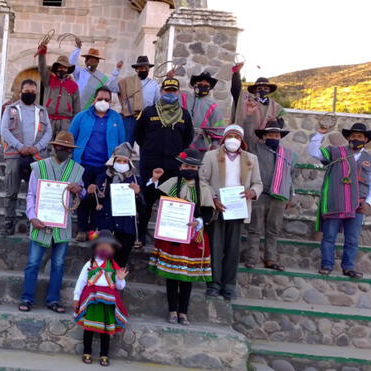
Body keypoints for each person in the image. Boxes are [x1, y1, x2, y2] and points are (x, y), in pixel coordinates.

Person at [19, 132, 85, 313]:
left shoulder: (77, 170)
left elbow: (82, 193)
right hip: (40, 220)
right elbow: (31, 194)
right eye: (61, 147)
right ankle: (27, 298)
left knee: (58, 264)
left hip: (62, 223)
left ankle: (53, 299)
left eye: (67, 149)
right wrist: (32, 216)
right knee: (33, 262)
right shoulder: (39, 167)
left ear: (71, 150)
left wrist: (79, 190)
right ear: (54, 147)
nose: (63, 150)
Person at [148, 148, 212, 325]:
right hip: (172, 236)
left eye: (193, 166)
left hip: (192, 237)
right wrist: (154, 180)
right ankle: (172, 311)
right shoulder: (171, 184)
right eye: (186, 165)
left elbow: (208, 213)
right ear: (181, 166)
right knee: (172, 276)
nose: (189, 168)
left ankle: (183, 312)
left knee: (186, 276)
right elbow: (153, 196)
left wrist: (198, 222)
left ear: (198, 169)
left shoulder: (204, 188)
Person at [308, 122, 371, 279]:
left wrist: (367, 202)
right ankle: (326, 265)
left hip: (357, 204)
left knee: (352, 239)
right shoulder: (336, 152)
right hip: (337, 202)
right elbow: (313, 152)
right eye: (353, 136)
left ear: (366, 139)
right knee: (329, 236)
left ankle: (348, 267)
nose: (356, 138)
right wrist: (320, 133)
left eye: (360, 136)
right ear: (348, 138)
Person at [200, 125, 262, 300]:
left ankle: (229, 285)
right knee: (215, 247)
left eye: (236, 136)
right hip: (217, 207)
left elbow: (258, 183)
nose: (233, 139)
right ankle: (213, 284)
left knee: (233, 249)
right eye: (230, 136)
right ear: (224, 138)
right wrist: (213, 198)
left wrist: (252, 192)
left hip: (238, 208)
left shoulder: (251, 159)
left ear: (241, 140)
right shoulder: (211, 156)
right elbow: (203, 180)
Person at [135, 77, 194, 246]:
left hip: (173, 167)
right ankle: (140, 237)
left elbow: (187, 138)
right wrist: (150, 151)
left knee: (169, 203)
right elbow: (138, 135)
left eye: (173, 91)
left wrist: (174, 154)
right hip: (150, 165)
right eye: (167, 90)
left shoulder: (184, 114)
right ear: (161, 92)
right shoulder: (149, 112)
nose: (170, 93)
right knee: (145, 202)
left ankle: (165, 240)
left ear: (178, 92)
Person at [69, 86, 126, 241]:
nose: (103, 102)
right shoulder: (81, 117)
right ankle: (81, 229)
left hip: (106, 166)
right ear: (94, 99)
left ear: (111, 102)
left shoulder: (116, 118)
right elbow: (70, 137)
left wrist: (119, 163)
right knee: (82, 196)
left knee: (99, 198)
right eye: (100, 99)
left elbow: (122, 142)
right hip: (83, 164)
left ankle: (94, 230)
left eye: (107, 100)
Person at [0, 79, 53, 236]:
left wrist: (37, 147)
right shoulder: (11, 109)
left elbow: (48, 132)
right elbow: (4, 130)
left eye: (33, 92)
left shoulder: (42, 111)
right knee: (11, 190)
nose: (30, 94)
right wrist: (19, 146)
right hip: (15, 155)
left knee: (37, 192)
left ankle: (37, 222)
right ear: (20, 92)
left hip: (36, 156)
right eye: (27, 91)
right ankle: (9, 222)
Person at [245, 120, 297, 271]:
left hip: (279, 197)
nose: (274, 137)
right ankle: (252, 258)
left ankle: (270, 258)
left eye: (276, 135)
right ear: (264, 136)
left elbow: (291, 177)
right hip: (260, 195)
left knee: (273, 229)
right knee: (255, 228)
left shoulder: (288, 155)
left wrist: (290, 197)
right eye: (270, 135)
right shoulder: (254, 149)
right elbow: (246, 133)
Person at [74, 229, 128, 367]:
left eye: (108, 246)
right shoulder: (90, 264)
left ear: (112, 249)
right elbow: (81, 281)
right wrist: (76, 297)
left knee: (105, 330)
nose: (104, 248)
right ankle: (87, 352)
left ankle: (104, 354)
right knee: (89, 328)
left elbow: (120, 286)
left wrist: (121, 279)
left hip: (108, 304)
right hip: (92, 301)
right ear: (95, 247)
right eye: (101, 245)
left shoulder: (114, 266)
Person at [89, 142, 143, 267]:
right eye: (119, 160)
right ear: (113, 161)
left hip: (126, 229)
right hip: (106, 227)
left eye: (125, 161)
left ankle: (116, 286)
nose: (122, 164)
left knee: (119, 266)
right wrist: (92, 194)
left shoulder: (136, 181)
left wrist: (137, 194)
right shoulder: (102, 178)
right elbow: (95, 204)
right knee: (99, 265)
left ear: (129, 163)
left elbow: (142, 208)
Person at [231, 64, 286, 145]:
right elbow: (236, 90)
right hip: (244, 139)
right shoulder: (246, 100)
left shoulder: (276, 106)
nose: (262, 90)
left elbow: (281, 124)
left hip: (263, 144)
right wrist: (236, 74)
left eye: (266, 88)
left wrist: (275, 122)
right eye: (259, 88)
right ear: (254, 90)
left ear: (269, 91)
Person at [36, 42, 81, 139]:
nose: (62, 69)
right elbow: (42, 68)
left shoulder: (73, 86)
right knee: (45, 145)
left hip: (65, 123)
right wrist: (42, 54)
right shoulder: (48, 79)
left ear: (68, 69)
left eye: (65, 67)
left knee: (62, 147)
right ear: (56, 68)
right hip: (48, 119)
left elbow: (77, 109)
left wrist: (74, 125)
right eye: (60, 67)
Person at [116, 55, 160, 145]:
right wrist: (117, 70)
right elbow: (110, 87)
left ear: (148, 69)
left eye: (145, 68)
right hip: (130, 117)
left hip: (146, 117)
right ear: (137, 69)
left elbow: (157, 102)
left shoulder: (154, 85)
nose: (143, 70)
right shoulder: (127, 82)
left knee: (146, 145)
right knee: (126, 144)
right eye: (141, 68)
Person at [69, 37, 123, 110]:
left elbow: (111, 85)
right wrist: (78, 48)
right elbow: (71, 63)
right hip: (75, 107)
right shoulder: (79, 72)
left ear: (98, 63)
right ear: (86, 61)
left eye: (95, 61)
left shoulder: (101, 77)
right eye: (91, 60)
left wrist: (117, 69)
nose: (93, 62)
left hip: (90, 111)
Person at [185, 72, 227, 160]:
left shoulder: (213, 106)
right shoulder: (185, 98)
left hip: (201, 146)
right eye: (200, 84)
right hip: (183, 143)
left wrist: (214, 148)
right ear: (194, 85)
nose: (203, 86)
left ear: (209, 88)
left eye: (206, 85)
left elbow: (218, 130)